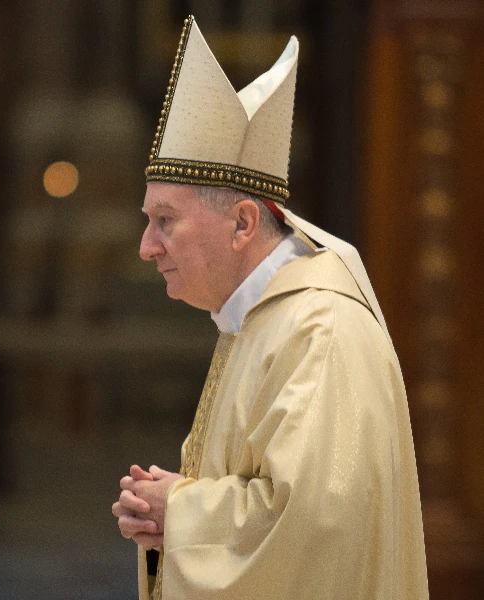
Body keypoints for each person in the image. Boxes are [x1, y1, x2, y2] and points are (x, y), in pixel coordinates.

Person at [111, 16, 428, 600]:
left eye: (165, 221)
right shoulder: (259, 321)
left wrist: (178, 511)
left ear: (242, 223)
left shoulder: (319, 330)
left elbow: (315, 527)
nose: (147, 247)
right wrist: (168, 516)